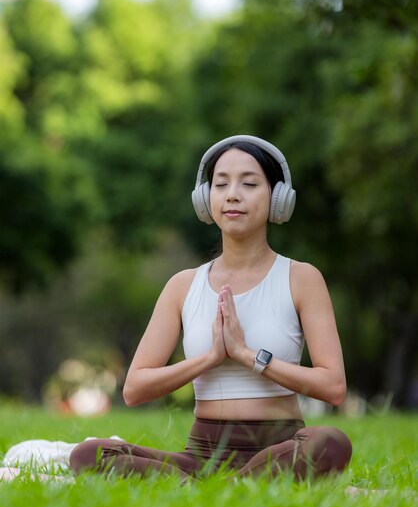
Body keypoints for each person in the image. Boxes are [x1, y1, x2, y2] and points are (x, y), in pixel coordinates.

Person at [69, 135, 352, 481]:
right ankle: (234, 487)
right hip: (201, 456)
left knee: (331, 441)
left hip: (279, 449)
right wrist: (210, 358)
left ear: (278, 198)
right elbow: (135, 388)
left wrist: (248, 355)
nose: (233, 194)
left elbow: (333, 386)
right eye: (221, 184)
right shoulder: (182, 285)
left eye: (248, 183)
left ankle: (211, 488)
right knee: (90, 453)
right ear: (206, 200)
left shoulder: (301, 278)